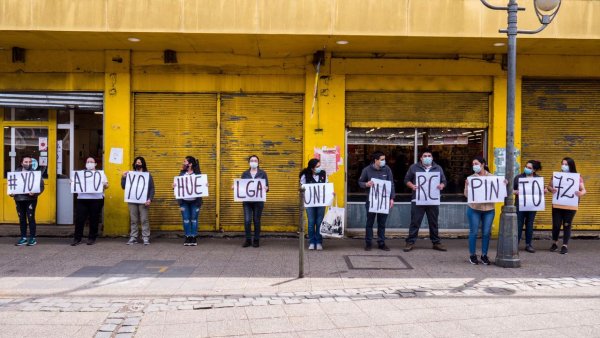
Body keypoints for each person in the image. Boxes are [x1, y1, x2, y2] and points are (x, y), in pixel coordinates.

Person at [403, 149, 447, 252]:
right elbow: (406, 180)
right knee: (415, 222)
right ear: (421, 158)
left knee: (433, 222)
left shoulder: (438, 168)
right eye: (425, 156)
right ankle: (410, 242)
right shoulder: (413, 167)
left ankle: (436, 242)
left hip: (432, 200)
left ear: (432, 158)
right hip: (418, 199)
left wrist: (442, 185)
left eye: (429, 156)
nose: (427, 157)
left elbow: (444, 181)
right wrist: (412, 186)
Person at [547, 157, 586, 255]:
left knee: (567, 224)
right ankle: (554, 243)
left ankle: (565, 245)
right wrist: (552, 190)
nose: (563, 166)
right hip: (558, 203)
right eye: (562, 164)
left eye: (566, 164)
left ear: (571, 165)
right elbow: (548, 186)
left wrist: (580, 193)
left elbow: (584, 190)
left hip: (570, 205)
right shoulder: (556, 175)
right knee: (556, 224)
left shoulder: (577, 177)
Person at [358, 151, 395, 251]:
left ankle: (381, 242)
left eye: (384, 159)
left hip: (383, 201)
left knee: (382, 223)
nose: (384, 161)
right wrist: (366, 184)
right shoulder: (367, 170)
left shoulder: (387, 169)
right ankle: (368, 243)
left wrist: (392, 198)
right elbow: (360, 182)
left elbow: (391, 184)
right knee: (369, 222)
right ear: (376, 160)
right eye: (382, 159)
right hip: (371, 201)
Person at [464, 156, 495, 265]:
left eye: (476, 163)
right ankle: (472, 255)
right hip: (474, 208)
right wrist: (467, 186)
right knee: (474, 232)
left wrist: (503, 184)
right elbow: (467, 195)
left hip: (489, 209)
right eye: (473, 164)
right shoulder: (471, 178)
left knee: (486, 233)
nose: (474, 166)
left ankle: (484, 255)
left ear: (483, 164)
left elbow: (498, 191)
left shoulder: (492, 177)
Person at [72, 157, 108, 246]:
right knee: (80, 219)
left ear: (95, 164)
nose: (89, 163)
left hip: (96, 199)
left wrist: (105, 185)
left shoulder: (100, 174)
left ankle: (92, 238)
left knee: (94, 219)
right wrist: (72, 183)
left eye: (91, 162)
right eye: (87, 162)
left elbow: (107, 186)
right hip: (82, 199)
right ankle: (77, 238)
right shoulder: (80, 174)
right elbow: (74, 183)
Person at [121, 156, 155, 245]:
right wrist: (123, 178)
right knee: (133, 219)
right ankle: (133, 237)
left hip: (143, 201)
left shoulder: (147, 175)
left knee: (144, 219)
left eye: (139, 162)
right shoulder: (130, 174)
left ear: (143, 164)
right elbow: (124, 186)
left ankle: (145, 237)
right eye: (137, 162)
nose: (138, 164)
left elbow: (152, 188)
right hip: (132, 201)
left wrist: (149, 199)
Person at [11, 156, 44, 246]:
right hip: (19, 199)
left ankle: (32, 238)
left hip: (31, 199)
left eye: (30, 162)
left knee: (31, 218)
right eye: (26, 162)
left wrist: (35, 193)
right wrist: (12, 193)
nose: (28, 163)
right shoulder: (16, 173)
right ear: (21, 163)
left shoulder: (35, 174)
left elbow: (41, 187)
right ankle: (23, 237)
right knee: (21, 219)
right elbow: (11, 186)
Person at [513, 160, 543, 253]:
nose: (526, 169)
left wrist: (544, 190)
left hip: (532, 205)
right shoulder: (518, 177)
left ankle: (528, 244)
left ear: (534, 170)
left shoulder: (538, 178)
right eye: (526, 166)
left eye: (529, 168)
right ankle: (515, 244)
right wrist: (515, 192)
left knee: (530, 224)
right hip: (520, 204)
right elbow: (512, 190)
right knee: (518, 224)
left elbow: (541, 191)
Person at [240, 155, 269, 248]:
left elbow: (267, 187)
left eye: (255, 160)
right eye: (252, 160)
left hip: (258, 201)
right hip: (247, 202)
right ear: (249, 162)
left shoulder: (262, 173)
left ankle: (256, 240)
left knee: (256, 220)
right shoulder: (245, 174)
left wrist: (266, 188)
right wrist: (235, 187)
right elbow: (241, 186)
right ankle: (248, 239)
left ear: (258, 162)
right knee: (247, 220)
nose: (253, 162)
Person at [175, 156, 203, 246]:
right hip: (184, 202)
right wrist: (174, 186)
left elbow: (202, 186)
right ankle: (187, 237)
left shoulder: (197, 174)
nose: (183, 163)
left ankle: (194, 237)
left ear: (190, 164)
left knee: (194, 219)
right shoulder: (182, 174)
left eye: (185, 161)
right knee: (186, 219)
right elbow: (178, 186)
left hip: (195, 201)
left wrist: (205, 185)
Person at [300, 158, 327, 250]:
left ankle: (319, 242)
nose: (319, 168)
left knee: (319, 222)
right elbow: (301, 188)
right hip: (310, 203)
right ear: (312, 168)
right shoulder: (305, 175)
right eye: (317, 167)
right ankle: (312, 242)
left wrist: (331, 193)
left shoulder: (323, 174)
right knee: (311, 222)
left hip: (321, 202)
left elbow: (326, 185)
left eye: (320, 166)